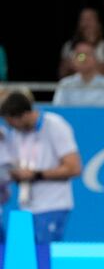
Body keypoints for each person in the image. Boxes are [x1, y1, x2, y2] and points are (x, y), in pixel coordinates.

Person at [0, 91, 82, 244]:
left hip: (52, 205)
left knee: (43, 258)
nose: (10, 127)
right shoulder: (17, 133)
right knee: (29, 259)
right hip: (26, 207)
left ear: (23, 115)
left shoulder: (55, 125)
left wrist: (35, 175)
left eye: (11, 123)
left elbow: (74, 168)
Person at [53, 41, 104, 107]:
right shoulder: (65, 84)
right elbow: (58, 112)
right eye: (80, 55)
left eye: (88, 54)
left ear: (96, 59)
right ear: (73, 60)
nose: (84, 58)